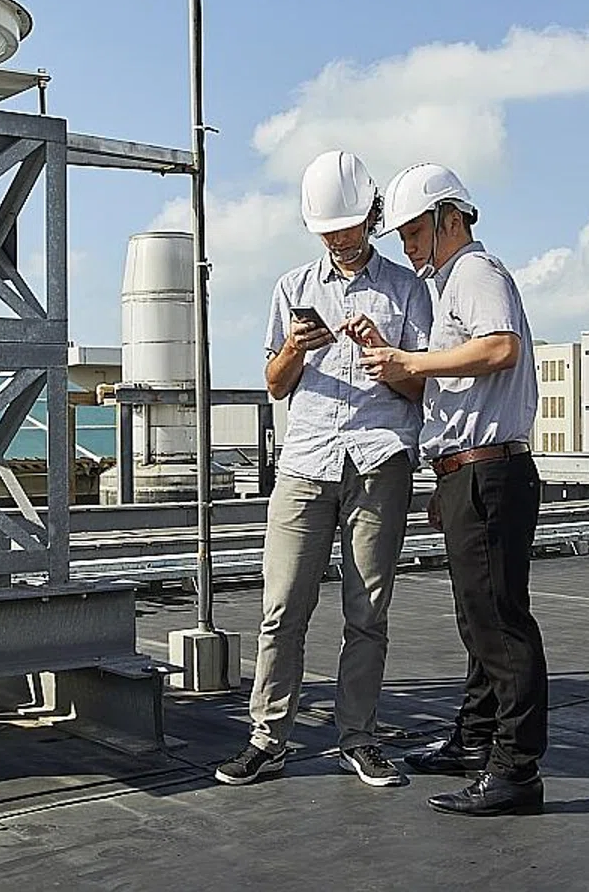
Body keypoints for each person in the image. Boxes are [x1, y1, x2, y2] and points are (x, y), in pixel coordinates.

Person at [213, 150, 432, 790]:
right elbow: (275, 385)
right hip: (306, 461)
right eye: (326, 228)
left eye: (348, 224)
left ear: (371, 215)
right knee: (282, 608)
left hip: (379, 458)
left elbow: (424, 386)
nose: (338, 237)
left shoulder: (408, 290)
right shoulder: (292, 289)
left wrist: (383, 355)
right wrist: (291, 348)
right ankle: (267, 738)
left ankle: (358, 738)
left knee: (367, 612)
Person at [358, 163, 548, 818]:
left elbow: (500, 349)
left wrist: (412, 362)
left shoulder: (476, 272)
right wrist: (398, 364)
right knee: (480, 618)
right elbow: (452, 382)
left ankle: (515, 769)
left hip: (489, 470)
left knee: (499, 623)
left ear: (448, 219)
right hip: (471, 469)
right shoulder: (451, 287)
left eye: (414, 234)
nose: (408, 249)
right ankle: (475, 740)